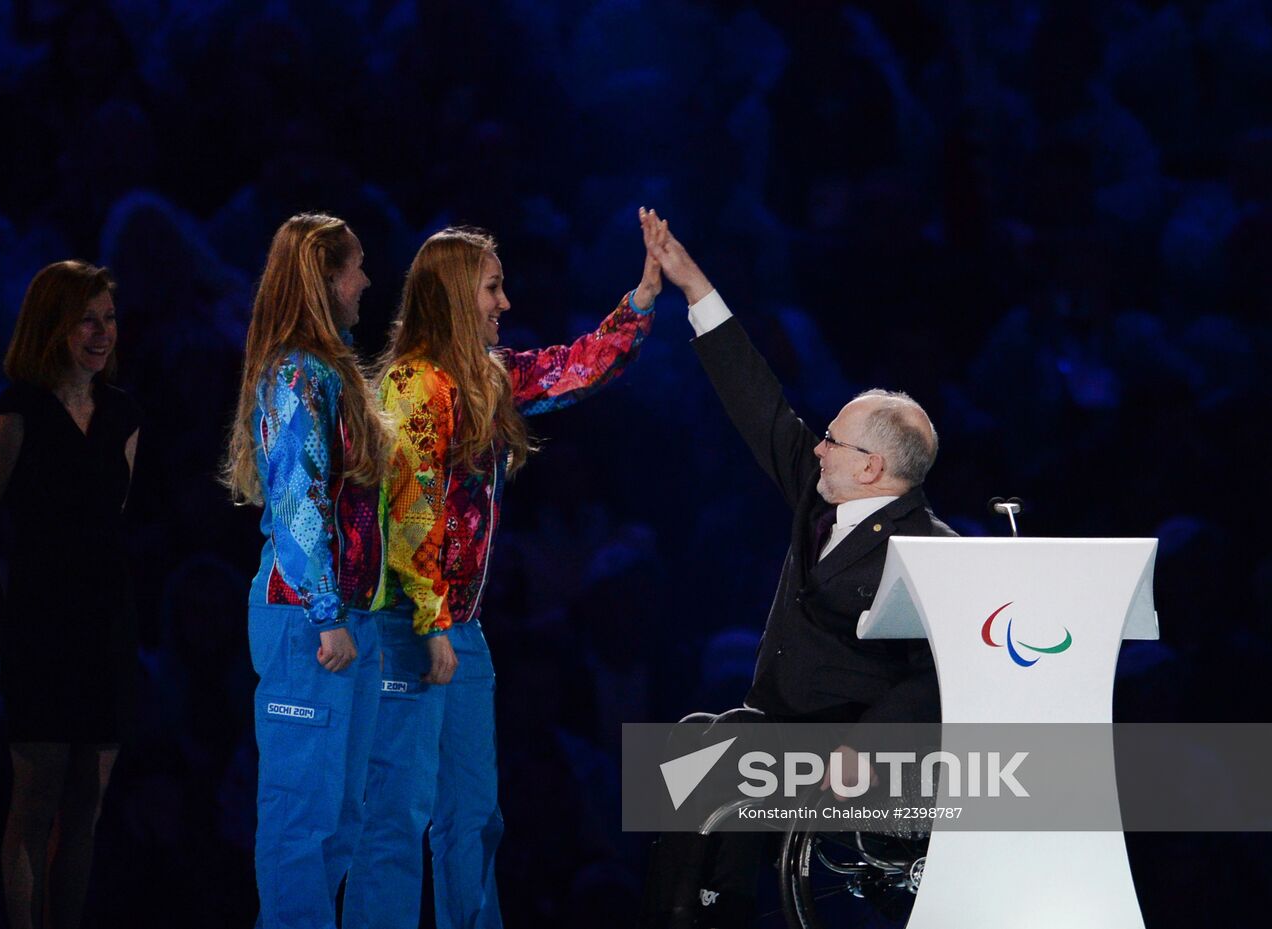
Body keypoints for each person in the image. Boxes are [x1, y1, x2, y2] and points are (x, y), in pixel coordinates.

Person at [637, 213, 957, 929]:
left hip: (842, 739)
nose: (818, 450)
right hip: (776, 722)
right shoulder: (819, 495)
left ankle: (695, 912)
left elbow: (937, 671)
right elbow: (760, 406)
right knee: (693, 742)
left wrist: (865, 746)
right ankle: (696, 908)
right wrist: (695, 287)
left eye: (834, 441)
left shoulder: (930, 549)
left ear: (873, 465)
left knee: (708, 749)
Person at [343, 218, 662, 929]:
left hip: (459, 627)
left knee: (473, 816)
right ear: (457, 294)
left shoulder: (483, 378)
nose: (505, 302)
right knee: (398, 814)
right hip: (407, 623)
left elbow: (571, 368)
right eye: (493, 287)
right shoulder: (414, 385)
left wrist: (639, 298)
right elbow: (409, 514)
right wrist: (427, 626)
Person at [222, 213, 393, 929]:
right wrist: (326, 615)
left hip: (344, 617)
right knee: (303, 821)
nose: (366, 281)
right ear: (325, 279)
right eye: (354, 267)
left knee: (341, 817)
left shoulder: (330, 369)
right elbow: (296, 498)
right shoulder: (295, 371)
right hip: (307, 620)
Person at [0, 260, 141, 929]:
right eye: (86, 319)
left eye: (108, 318)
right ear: (53, 326)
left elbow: (114, 517)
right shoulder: (15, 412)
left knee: (87, 802)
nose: (101, 333)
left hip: (106, 620)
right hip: (38, 619)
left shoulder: (123, 412)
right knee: (34, 796)